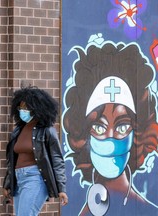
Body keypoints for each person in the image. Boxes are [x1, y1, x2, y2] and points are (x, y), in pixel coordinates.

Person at [62, 42, 158, 215]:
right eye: (99, 128)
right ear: (83, 135)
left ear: (137, 132)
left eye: (123, 127)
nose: (111, 139)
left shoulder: (147, 210)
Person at [2, 86, 68, 216]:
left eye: (26, 108)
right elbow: (12, 160)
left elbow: (57, 160)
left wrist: (62, 189)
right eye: (20, 108)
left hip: (35, 177)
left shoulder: (46, 130)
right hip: (18, 177)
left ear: (37, 108)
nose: (23, 111)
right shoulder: (18, 130)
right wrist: (8, 183)